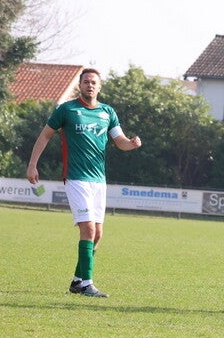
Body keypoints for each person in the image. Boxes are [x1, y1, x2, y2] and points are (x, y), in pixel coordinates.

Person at [26, 68, 141, 297]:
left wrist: (132, 143)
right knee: (88, 228)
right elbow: (45, 135)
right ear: (80, 85)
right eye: (86, 81)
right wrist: (32, 164)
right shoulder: (67, 110)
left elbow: (119, 140)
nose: (90, 85)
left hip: (99, 179)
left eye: (94, 82)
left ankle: (78, 281)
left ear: (99, 87)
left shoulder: (107, 112)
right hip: (76, 177)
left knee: (97, 234)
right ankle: (87, 284)